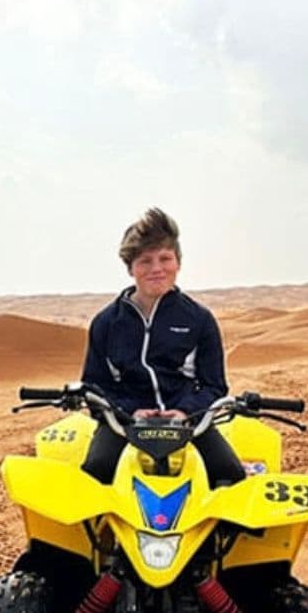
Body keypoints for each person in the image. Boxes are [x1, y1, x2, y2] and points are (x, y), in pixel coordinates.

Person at [79, 208, 245, 488]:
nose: (157, 269)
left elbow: (214, 385)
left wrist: (185, 412)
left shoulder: (199, 320)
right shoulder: (106, 322)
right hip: (124, 424)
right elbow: (95, 386)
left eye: (165, 258)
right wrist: (130, 411)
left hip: (188, 423)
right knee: (93, 478)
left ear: (178, 262)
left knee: (230, 476)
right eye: (145, 261)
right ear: (131, 268)